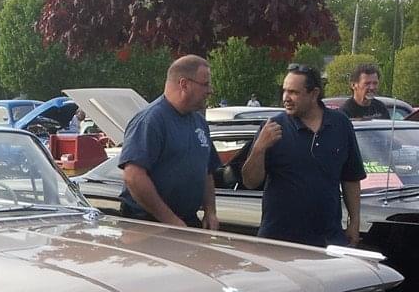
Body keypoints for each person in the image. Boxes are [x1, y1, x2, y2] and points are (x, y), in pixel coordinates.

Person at [241, 64, 365, 247]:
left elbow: (351, 178)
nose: (286, 98)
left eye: (293, 92)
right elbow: (250, 181)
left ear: (314, 93)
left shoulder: (340, 124)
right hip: (278, 241)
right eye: (284, 91)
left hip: (327, 240)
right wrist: (259, 148)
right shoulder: (273, 127)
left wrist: (354, 222)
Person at [118, 54, 221, 229]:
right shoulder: (151, 120)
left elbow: (206, 171)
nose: (210, 90)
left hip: (185, 221)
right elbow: (134, 176)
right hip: (147, 225)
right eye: (205, 84)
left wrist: (210, 211)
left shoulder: (199, 122)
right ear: (184, 84)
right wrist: (171, 221)